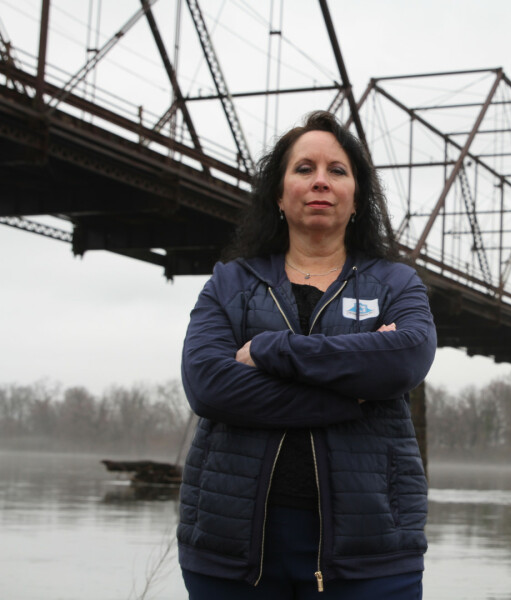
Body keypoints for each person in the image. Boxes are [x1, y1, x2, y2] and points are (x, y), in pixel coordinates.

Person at [177, 110, 437, 599]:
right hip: (230, 551)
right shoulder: (230, 283)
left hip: (372, 551)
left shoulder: (395, 284)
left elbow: (404, 360)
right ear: (279, 195)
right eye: (304, 169)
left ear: (357, 198)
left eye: (337, 170)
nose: (320, 181)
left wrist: (272, 349)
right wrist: (347, 397)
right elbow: (208, 386)